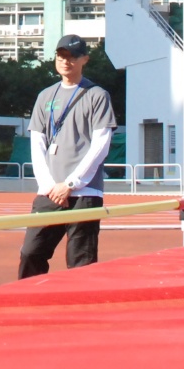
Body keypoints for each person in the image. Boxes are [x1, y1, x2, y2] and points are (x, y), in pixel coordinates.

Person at [18, 34, 119, 278]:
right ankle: (29, 297)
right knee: (31, 253)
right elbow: (37, 143)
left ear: (85, 59)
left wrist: (71, 184)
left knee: (81, 263)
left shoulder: (97, 95)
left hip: (85, 193)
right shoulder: (45, 96)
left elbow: (100, 144)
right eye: (61, 55)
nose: (66, 61)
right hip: (50, 192)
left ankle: (79, 302)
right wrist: (49, 186)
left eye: (73, 56)